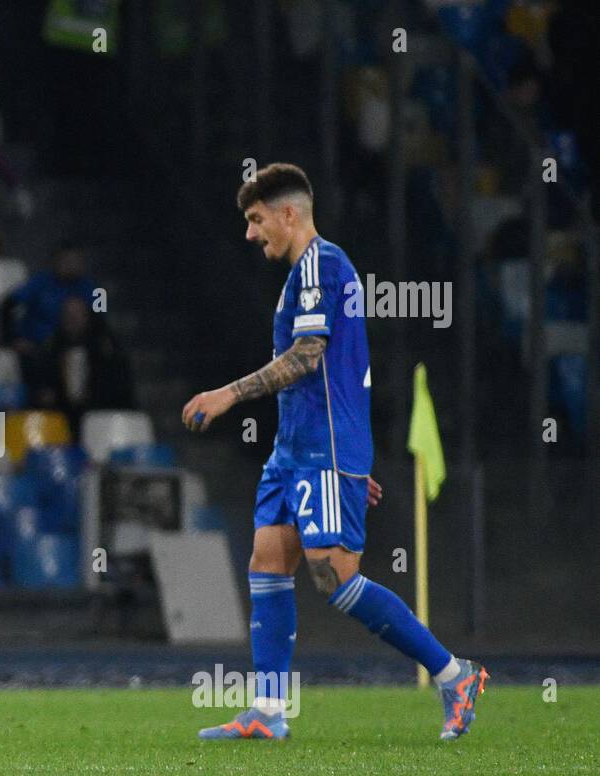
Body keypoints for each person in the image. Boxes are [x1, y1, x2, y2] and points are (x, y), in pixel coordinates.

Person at [182, 163, 488, 741]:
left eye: (256, 220)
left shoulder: (322, 263)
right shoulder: (302, 273)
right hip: (295, 450)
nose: (250, 234)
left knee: (333, 576)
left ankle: (455, 674)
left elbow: (309, 355)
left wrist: (229, 394)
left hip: (323, 447)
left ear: (288, 214)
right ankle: (269, 711)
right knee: (268, 564)